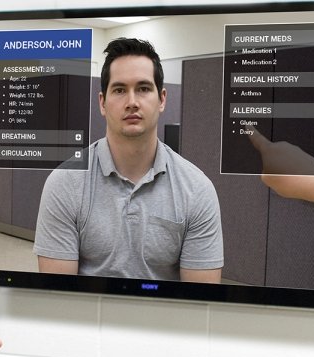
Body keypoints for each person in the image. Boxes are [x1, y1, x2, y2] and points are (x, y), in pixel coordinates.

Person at [35, 37, 223, 283]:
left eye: (143, 88)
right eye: (120, 90)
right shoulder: (64, 183)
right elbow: (57, 298)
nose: (132, 102)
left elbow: (201, 303)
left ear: (162, 99)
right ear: (103, 102)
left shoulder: (197, 190)